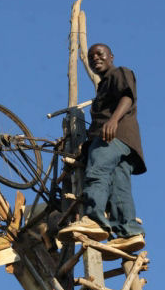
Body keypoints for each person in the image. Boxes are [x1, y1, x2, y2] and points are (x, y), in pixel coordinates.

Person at [59, 43, 146, 253]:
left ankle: (94, 220)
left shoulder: (119, 73)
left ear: (111, 56)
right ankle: (129, 231)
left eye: (99, 54)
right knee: (119, 185)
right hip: (125, 142)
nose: (95, 58)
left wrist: (113, 121)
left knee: (96, 171)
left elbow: (127, 97)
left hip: (113, 135)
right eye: (90, 57)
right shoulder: (103, 86)